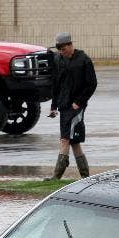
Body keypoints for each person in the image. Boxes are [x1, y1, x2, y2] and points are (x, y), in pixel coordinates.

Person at [47, 32, 98, 180]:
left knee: (65, 139)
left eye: (63, 48)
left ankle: (56, 177)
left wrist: (79, 102)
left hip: (76, 107)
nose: (61, 52)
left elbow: (92, 84)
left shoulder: (84, 60)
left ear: (70, 45)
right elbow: (56, 84)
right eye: (60, 49)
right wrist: (53, 106)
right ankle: (85, 176)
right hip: (63, 106)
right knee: (74, 141)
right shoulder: (58, 60)